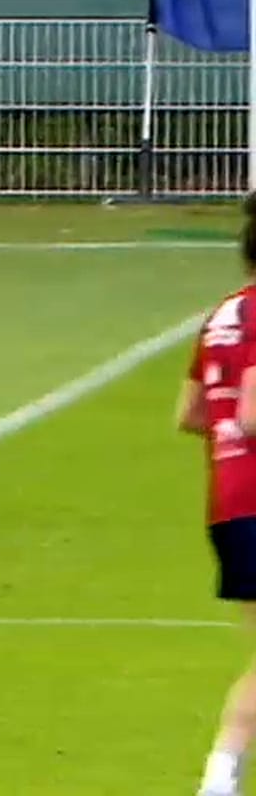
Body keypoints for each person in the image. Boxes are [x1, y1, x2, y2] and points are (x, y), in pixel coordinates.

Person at [179, 193, 256, 796]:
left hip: (228, 502)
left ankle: (222, 777)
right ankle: (220, 779)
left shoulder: (223, 315)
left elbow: (191, 414)